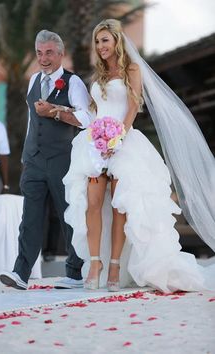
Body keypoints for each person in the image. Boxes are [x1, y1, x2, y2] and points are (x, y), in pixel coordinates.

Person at [61, 19, 215, 293]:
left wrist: (117, 138)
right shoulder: (98, 75)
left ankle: (116, 264)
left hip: (123, 141)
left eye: (105, 40)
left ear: (116, 41)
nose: (101, 46)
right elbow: (95, 111)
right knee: (92, 204)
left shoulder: (132, 68)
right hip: (95, 143)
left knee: (121, 206)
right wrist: (88, 129)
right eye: (98, 42)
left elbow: (132, 106)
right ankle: (96, 263)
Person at [0, 30, 91, 290]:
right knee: (29, 217)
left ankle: (74, 273)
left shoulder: (73, 83)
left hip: (61, 159)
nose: (43, 58)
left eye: (49, 52)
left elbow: (87, 119)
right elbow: (32, 120)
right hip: (34, 160)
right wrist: (27, 154)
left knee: (67, 215)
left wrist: (55, 112)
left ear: (61, 54)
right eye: (39, 53)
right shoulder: (33, 80)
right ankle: (21, 273)